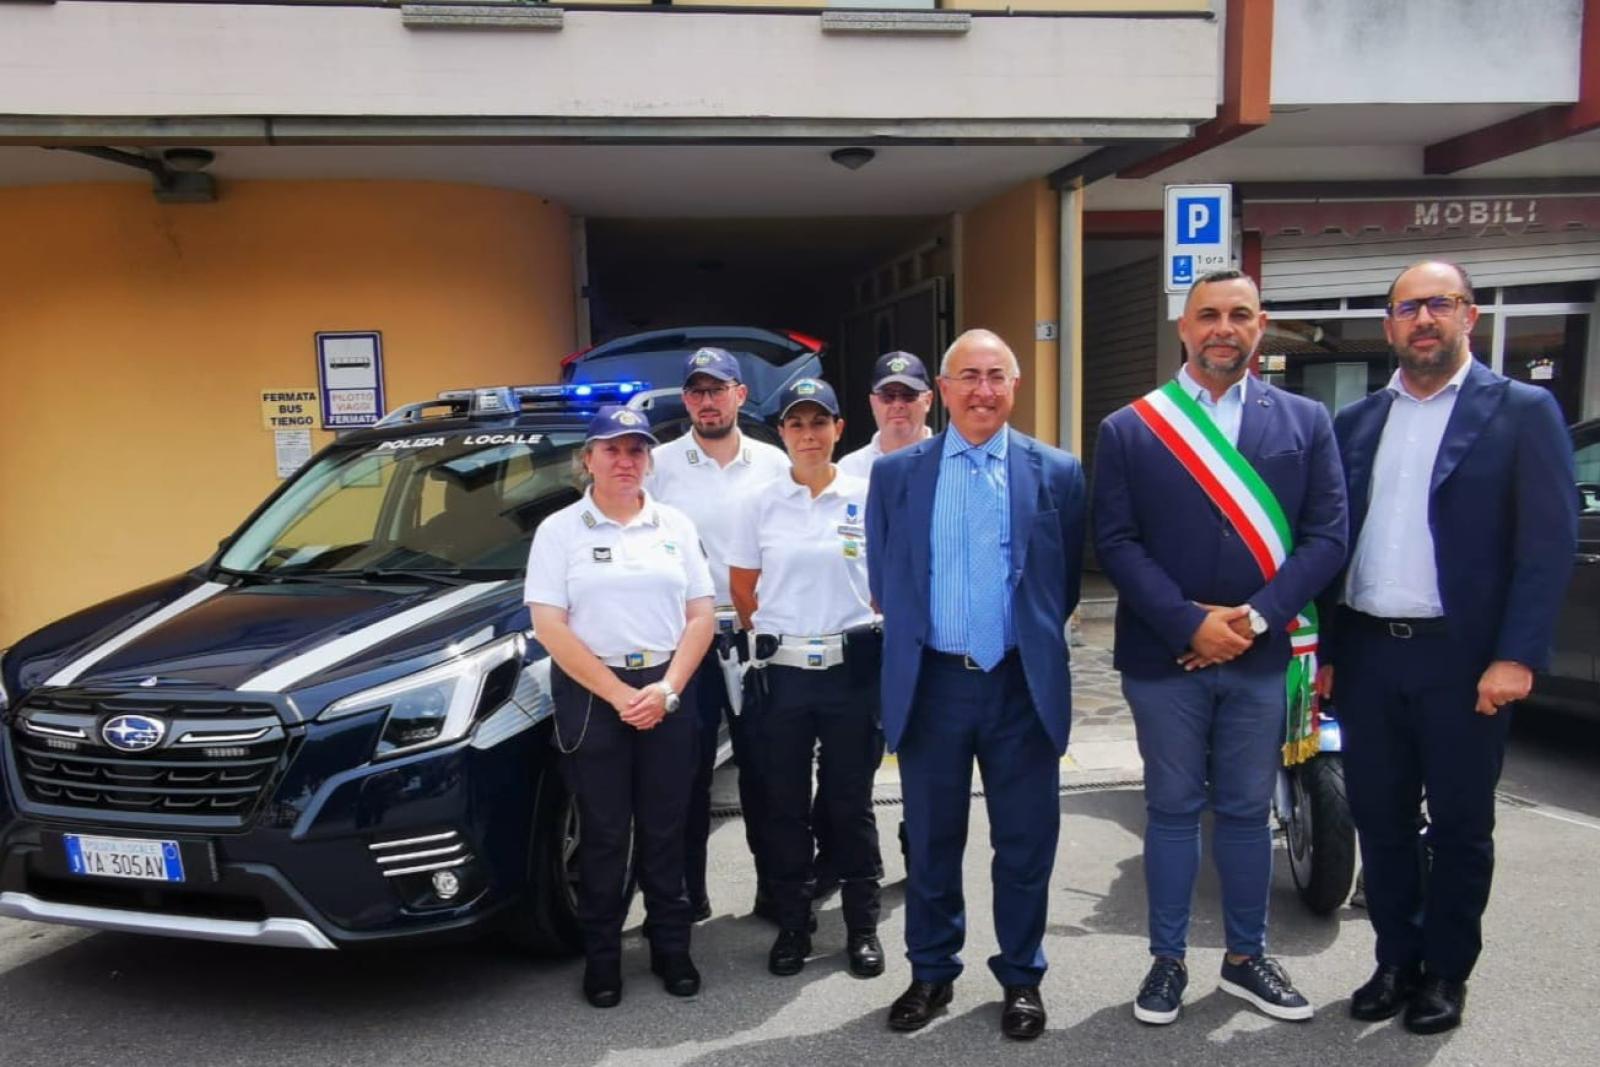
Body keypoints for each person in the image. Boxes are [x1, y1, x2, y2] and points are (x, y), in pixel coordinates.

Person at [1320, 260, 1576, 1034]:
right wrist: (1329, 649)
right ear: (1388, 323)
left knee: (1461, 824)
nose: (1422, 318)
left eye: (1439, 304)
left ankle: (1445, 971)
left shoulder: (1522, 411)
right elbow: (1336, 546)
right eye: (1407, 307)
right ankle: (1395, 957)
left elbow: (1547, 545)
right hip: (1368, 653)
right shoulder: (1357, 423)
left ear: (1468, 314)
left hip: (1465, 660)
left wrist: (1517, 654)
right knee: (1380, 816)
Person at [1092, 269, 1347, 1026]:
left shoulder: (1305, 420)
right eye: (1209, 315)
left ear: (1260, 326)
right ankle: (1166, 962)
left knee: (1243, 812)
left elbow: (1328, 536)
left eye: (1239, 315)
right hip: (1163, 657)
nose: (1222, 329)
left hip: (1263, 655)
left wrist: (1252, 620)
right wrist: (1187, 623)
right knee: (1171, 810)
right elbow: (1115, 540)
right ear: (1183, 325)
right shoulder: (1131, 426)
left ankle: (1245, 958)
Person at [866, 328, 1085, 1040]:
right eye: (969, 376)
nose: (984, 390)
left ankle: (1022, 977)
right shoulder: (898, 474)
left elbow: (1063, 581)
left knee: (1025, 843)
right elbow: (884, 576)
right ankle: (931, 971)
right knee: (932, 840)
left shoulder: (1056, 470)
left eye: (997, 375)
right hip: (935, 683)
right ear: (944, 389)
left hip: (1021, 684)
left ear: (1014, 386)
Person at [524, 405, 716, 1008]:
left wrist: (667, 689)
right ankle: (602, 958)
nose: (625, 461)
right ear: (588, 460)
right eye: (612, 450)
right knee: (606, 834)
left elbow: (702, 615)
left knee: (666, 829)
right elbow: (549, 625)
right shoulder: (560, 531)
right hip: (592, 693)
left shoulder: (675, 525)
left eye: (636, 450)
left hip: (665, 688)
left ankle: (671, 949)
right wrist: (618, 694)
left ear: (649, 461)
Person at [727, 377, 886, 980]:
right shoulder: (761, 503)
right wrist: (777, 631)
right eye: (797, 425)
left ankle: (863, 928)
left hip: (853, 670)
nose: (809, 435)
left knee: (850, 804)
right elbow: (744, 588)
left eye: (820, 423)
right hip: (784, 674)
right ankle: (794, 926)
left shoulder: (868, 495)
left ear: (839, 429)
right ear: (783, 434)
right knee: (784, 805)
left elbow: (891, 579)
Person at [645, 347, 790, 922]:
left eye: (718, 389)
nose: (708, 401)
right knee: (685, 774)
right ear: (687, 401)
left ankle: (775, 892)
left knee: (767, 770)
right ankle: (686, 896)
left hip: (758, 634)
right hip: (689, 639)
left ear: (740, 395)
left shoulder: (774, 463)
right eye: (697, 391)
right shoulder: (658, 466)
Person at [837, 350, 935, 481]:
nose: (898, 404)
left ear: (928, 400)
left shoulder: (950, 463)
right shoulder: (849, 470)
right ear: (872, 402)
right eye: (887, 396)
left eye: (908, 395)